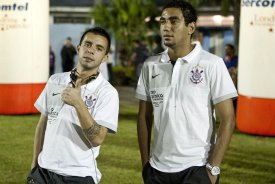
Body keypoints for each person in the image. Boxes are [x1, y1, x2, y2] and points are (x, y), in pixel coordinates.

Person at [135, 1, 237, 184]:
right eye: (163, 21)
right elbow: (144, 116)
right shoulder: (150, 65)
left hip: (196, 169)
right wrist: (145, 163)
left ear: (191, 27)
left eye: (174, 21)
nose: (166, 27)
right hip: (157, 170)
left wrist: (213, 168)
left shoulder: (212, 64)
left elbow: (228, 118)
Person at [27, 27, 119, 184]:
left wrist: (78, 103)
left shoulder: (107, 93)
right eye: (88, 44)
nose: (91, 51)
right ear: (79, 48)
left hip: (78, 176)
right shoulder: (55, 80)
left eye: (99, 48)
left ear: (104, 57)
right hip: (43, 172)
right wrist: (34, 166)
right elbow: (42, 125)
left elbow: (97, 138)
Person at [223, 44, 238, 111]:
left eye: (228, 49)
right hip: (227, 84)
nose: (226, 51)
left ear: (232, 50)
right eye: (225, 50)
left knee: (235, 102)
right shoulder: (225, 59)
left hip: (235, 84)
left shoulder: (237, 59)